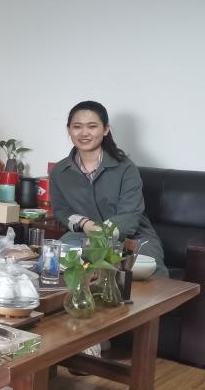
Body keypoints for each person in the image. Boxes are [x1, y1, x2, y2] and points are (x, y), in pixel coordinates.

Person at [49, 100, 167, 276]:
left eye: (92, 126)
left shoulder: (126, 168)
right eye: (77, 127)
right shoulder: (60, 171)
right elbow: (62, 210)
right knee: (54, 259)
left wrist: (102, 233)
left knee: (143, 272)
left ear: (105, 130)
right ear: (69, 130)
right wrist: (85, 224)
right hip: (85, 236)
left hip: (132, 238)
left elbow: (130, 214)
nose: (84, 133)